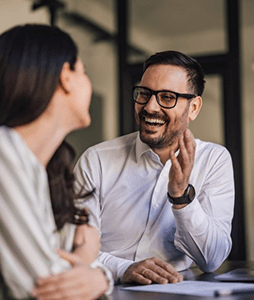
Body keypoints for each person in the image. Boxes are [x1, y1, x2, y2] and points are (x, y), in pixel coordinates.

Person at [74, 50, 235, 285]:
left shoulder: (214, 160)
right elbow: (74, 247)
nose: (149, 107)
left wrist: (182, 197)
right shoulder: (96, 160)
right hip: (105, 290)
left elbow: (212, 260)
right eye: (144, 93)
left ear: (194, 108)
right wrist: (123, 269)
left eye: (167, 97)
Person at [0, 24, 113, 299]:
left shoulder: (38, 170)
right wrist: (88, 260)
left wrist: (100, 276)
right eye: (83, 71)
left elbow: (66, 266)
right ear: (66, 76)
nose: (88, 83)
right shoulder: (4, 153)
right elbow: (46, 286)